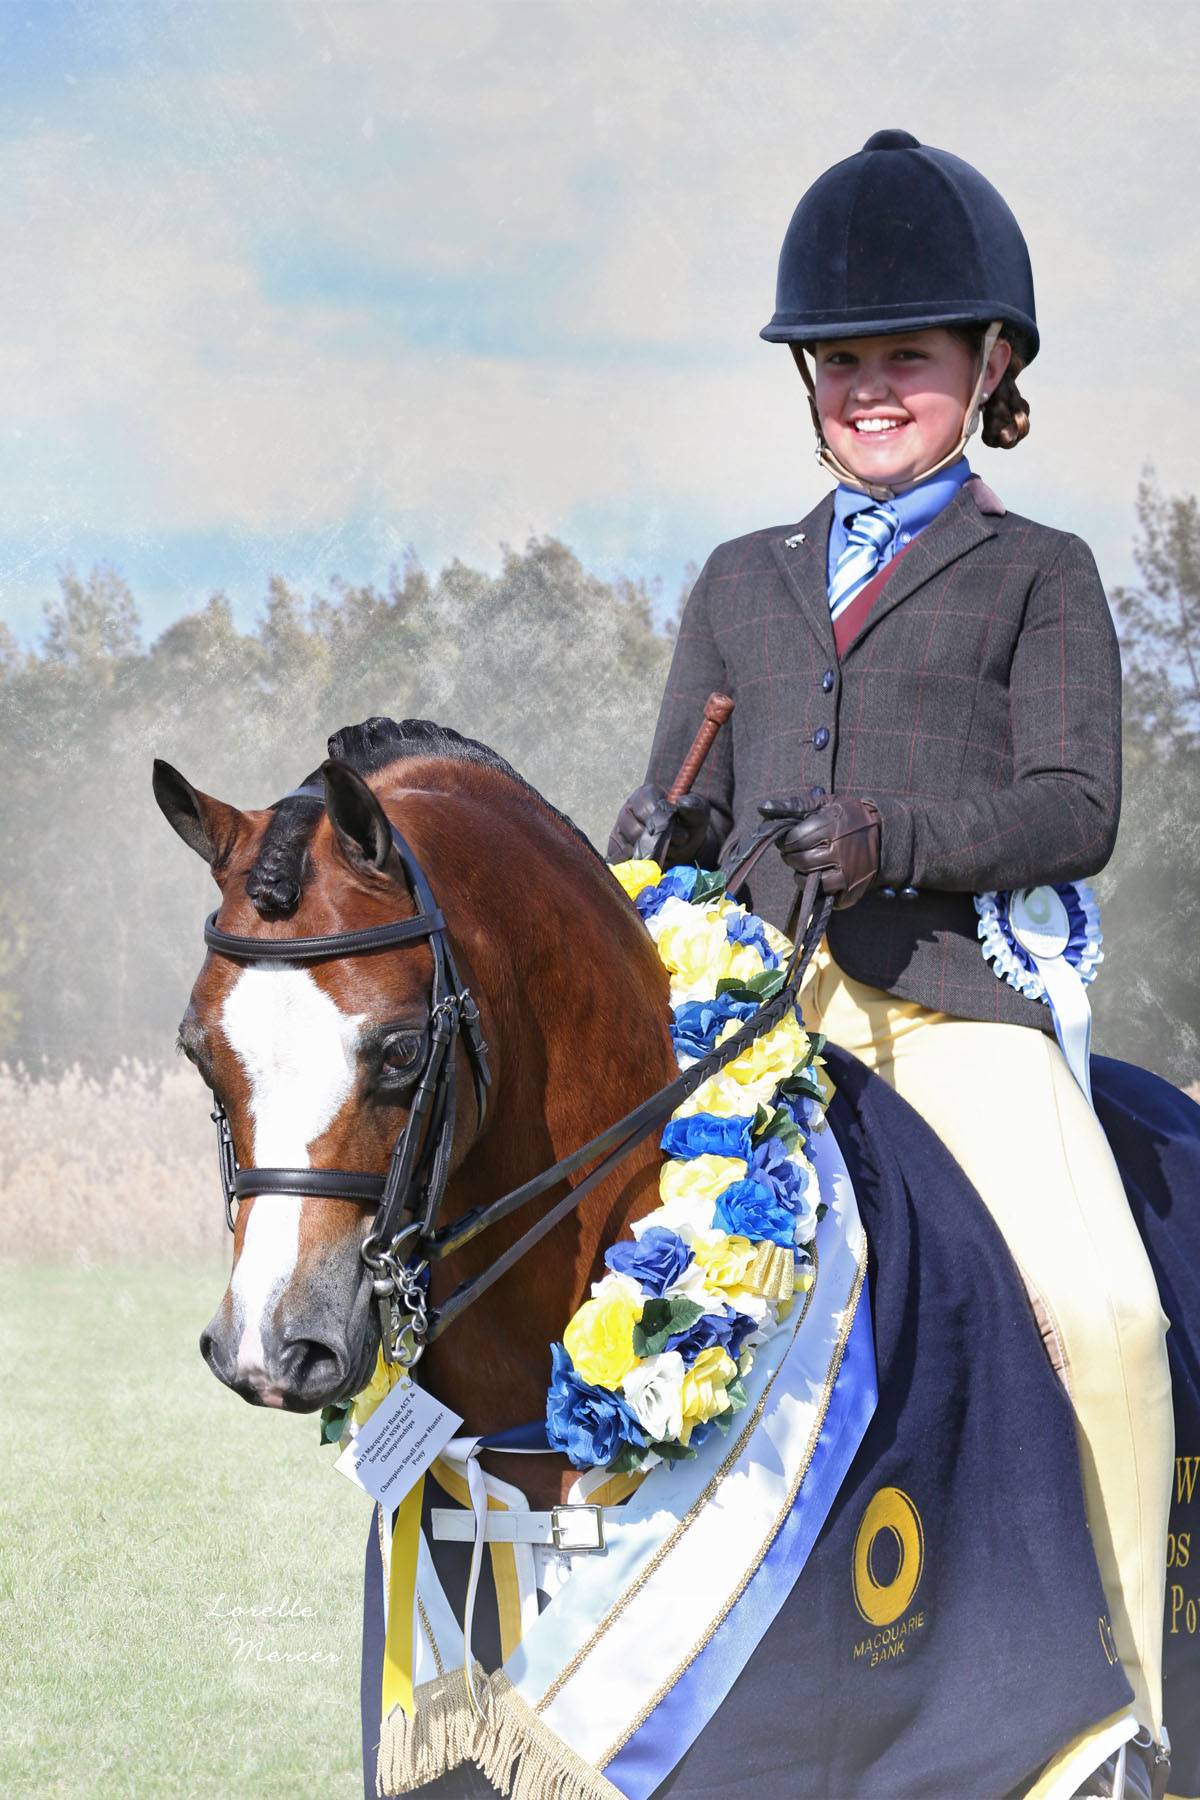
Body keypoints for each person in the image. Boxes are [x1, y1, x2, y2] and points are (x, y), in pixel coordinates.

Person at [609, 130, 1172, 1798]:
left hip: (951, 1009)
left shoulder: (1042, 575)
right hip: (767, 1025)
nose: (867, 389)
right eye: (838, 361)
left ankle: (1139, 1714)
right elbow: (685, 821)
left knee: (1112, 1321)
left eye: (903, 359)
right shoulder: (736, 581)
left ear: (988, 367)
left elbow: (1079, 807)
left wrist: (893, 837)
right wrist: (653, 830)